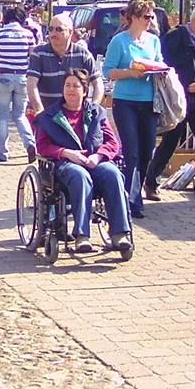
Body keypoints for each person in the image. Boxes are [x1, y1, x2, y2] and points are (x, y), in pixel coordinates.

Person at [34, 69, 133, 254]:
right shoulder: (49, 116)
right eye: (67, 86)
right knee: (80, 175)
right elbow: (42, 146)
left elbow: (112, 142)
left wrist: (99, 156)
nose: (71, 90)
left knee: (113, 174)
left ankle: (119, 233)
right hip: (65, 165)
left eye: (76, 86)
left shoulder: (97, 112)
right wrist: (66, 152)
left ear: (85, 90)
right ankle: (82, 236)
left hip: (94, 161)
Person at [144, 3, 195, 208]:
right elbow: (160, 64)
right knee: (170, 142)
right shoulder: (174, 38)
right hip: (178, 100)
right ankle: (151, 181)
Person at [103, 0, 164, 219]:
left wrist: (159, 69)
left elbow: (159, 63)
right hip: (125, 101)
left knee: (148, 150)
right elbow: (107, 71)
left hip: (149, 102)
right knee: (132, 151)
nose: (150, 20)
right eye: (146, 16)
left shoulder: (153, 41)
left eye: (151, 16)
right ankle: (131, 200)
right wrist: (130, 72)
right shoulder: (119, 41)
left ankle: (134, 191)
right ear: (134, 17)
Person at [0, 6, 37, 163]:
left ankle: (2, 152)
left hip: (4, 77)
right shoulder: (28, 35)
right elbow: (33, 58)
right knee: (20, 115)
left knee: (2, 116)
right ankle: (29, 144)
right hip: (22, 78)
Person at [27, 12, 103, 114]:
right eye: (50, 29)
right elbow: (31, 84)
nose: (53, 33)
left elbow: (98, 83)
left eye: (59, 29)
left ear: (70, 32)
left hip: (75, 117)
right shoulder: (38, 53)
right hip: (47, 114)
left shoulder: (83, 54)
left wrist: (93, 108)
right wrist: (40, 111)